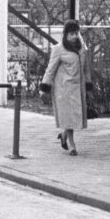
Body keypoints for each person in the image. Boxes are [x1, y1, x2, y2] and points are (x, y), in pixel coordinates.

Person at [39, 19, 93, 156]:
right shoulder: (58, 49)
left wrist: (88, 83)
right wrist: (45, 86)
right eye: (71, 33)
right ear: (66, 34)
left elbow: (86, 68)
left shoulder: (82, 49)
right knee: (69, 117)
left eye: (76, 33)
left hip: (78, 89)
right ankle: (72, 146)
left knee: (74, 119)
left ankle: (64, 135)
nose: (75, 36)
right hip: (63, 89)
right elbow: (50, 69)